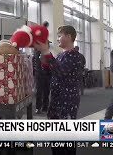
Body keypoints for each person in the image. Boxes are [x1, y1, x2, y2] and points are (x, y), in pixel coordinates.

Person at [34, 25, 83, 155]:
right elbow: (53, 72)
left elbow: (60, 72)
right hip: (56, 102)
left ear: (69, 36)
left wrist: (46, 52)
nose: (57, 39)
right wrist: (44, 61)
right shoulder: (62, 55)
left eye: (59, 36)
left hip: (66, 103)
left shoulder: (75, 56)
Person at [33, 49, 50, 114]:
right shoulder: (36, 54)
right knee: (39, 92)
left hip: (47, 74)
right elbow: (35, 65)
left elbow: (51, 64)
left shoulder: (48, 54)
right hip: (39, 75)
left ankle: (45, 107)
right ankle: (38, 107)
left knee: (46, 91)